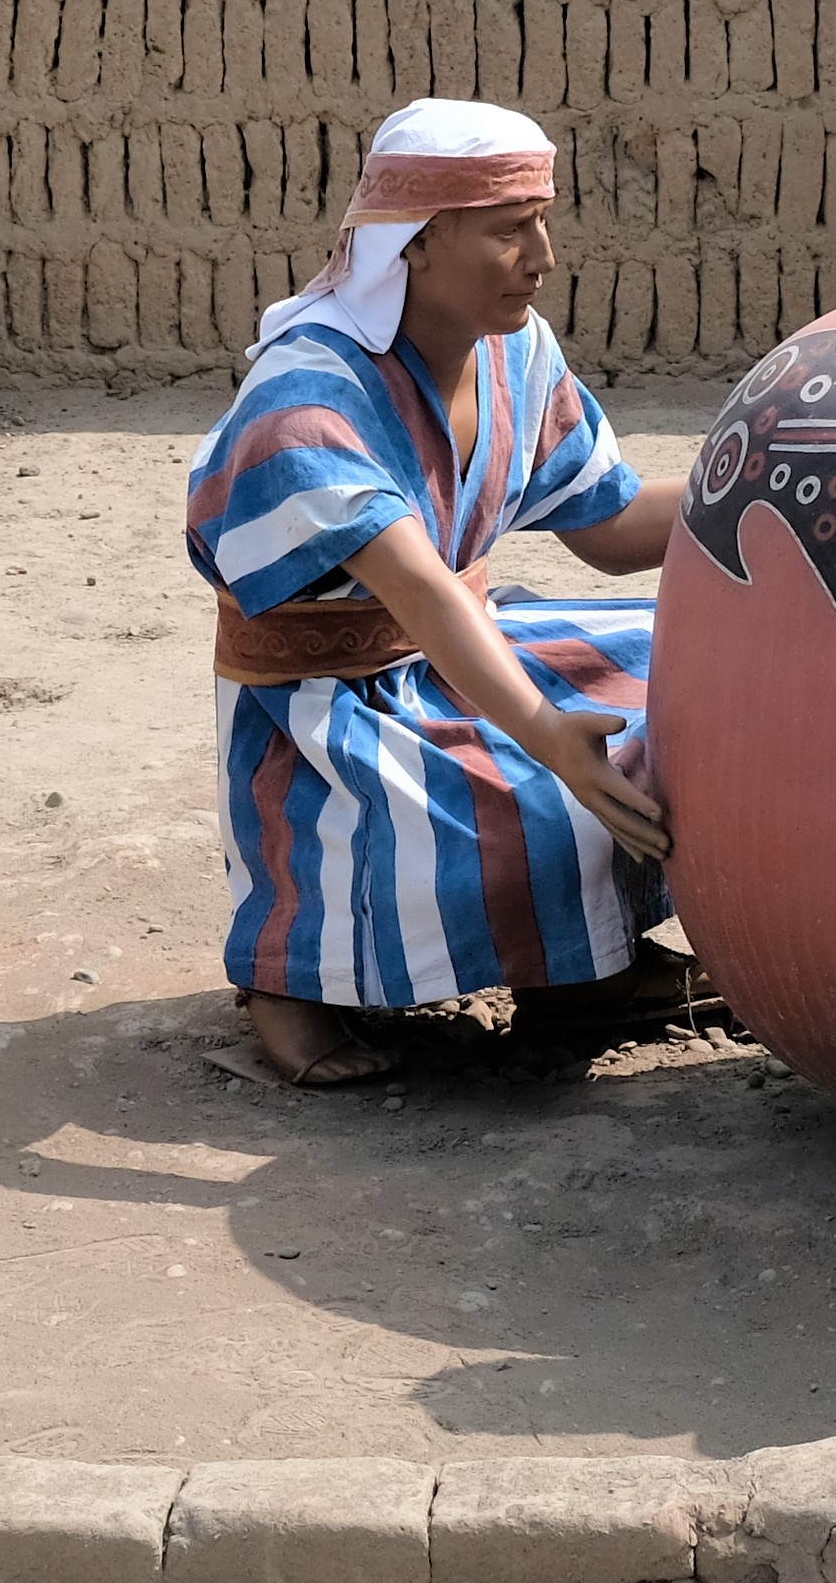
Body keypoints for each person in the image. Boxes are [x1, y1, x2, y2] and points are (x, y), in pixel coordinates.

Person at [184, 99, 686, 1088]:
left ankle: (584, 970)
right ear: (415, 243)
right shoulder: (307, 401)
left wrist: (768, 478)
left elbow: (616, 531)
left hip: (463, 654)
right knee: (550, 807)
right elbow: (420, 594)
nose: (541, 254)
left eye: (543, 220)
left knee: (690, 686)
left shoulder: (517, 353)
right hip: (336, 707)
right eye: (509, 227)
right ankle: (290, 973)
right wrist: (547, 734)